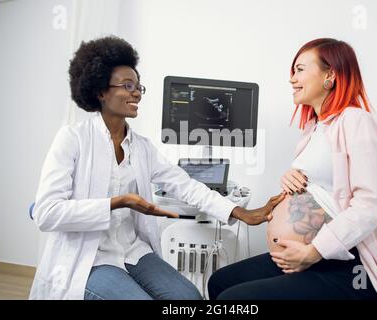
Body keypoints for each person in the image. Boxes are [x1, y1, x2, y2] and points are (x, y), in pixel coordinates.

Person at [29, 36, 284, 300]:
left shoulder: (142, 148)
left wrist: (240, 212)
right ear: (101, 92)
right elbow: (46, 213)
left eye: (139, 87)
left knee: (189, 298)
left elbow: (184, 185)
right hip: (88, 257)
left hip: (131, 250)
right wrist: (117, 202)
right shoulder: (73, 139)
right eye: (128, 86)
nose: (137, 93)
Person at [208, 38, 377, 300]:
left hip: (344, 264)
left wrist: (312, 251)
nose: (292, 78)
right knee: (220, 282)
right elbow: (322, 182)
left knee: (234, 299)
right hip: (307, 257)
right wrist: (290, 176)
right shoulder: (314, 129)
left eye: (300, 69)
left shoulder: (356, 121)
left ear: (330, 75)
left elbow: (369, 205)